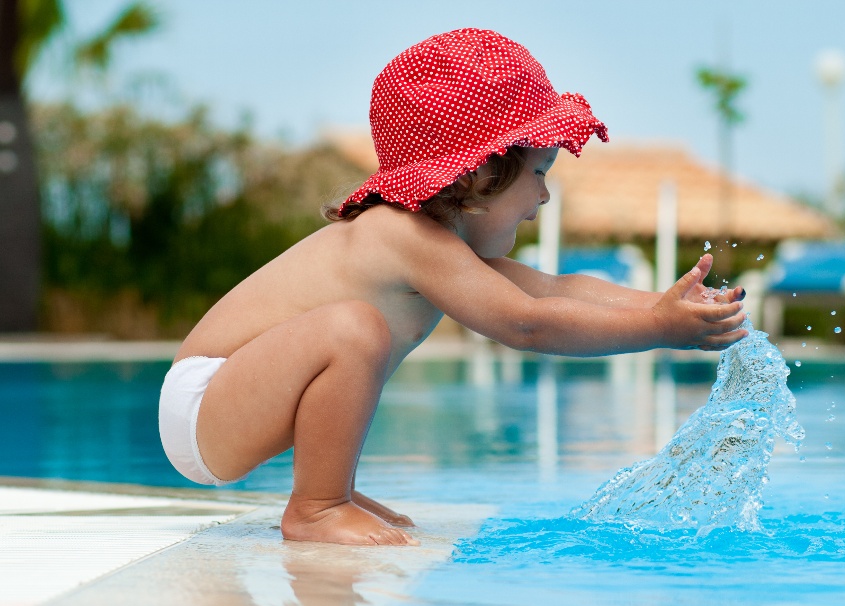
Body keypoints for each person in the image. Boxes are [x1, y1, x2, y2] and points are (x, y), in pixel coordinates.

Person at [158, 28, 747, 547]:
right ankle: (317, 506)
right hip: (205, 402)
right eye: (538, 174)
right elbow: (525, 322)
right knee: (351, 329)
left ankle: (331, 491)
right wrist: (658, 330)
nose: (543, 196)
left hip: (236, 398)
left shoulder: (442, 249)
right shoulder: (399, 235)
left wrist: (668, 306)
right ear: (481, 175)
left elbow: (550, 290)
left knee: (350, 332)